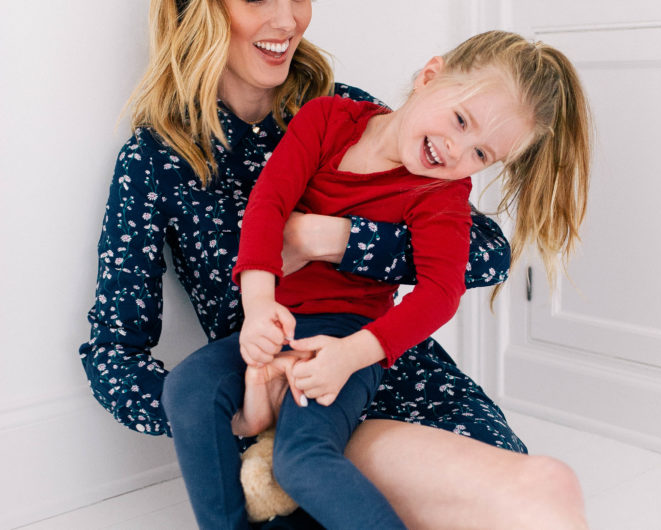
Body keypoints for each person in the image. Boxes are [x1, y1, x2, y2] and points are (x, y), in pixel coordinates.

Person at [79, 0, 589, 529]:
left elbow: (486, 254)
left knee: (539, 495)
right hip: (277, 384)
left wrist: (337, 238)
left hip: (390, 365)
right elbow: (113, 357)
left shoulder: (353, 112)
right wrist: (232, 419)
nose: (286, 20)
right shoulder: (156, 161)